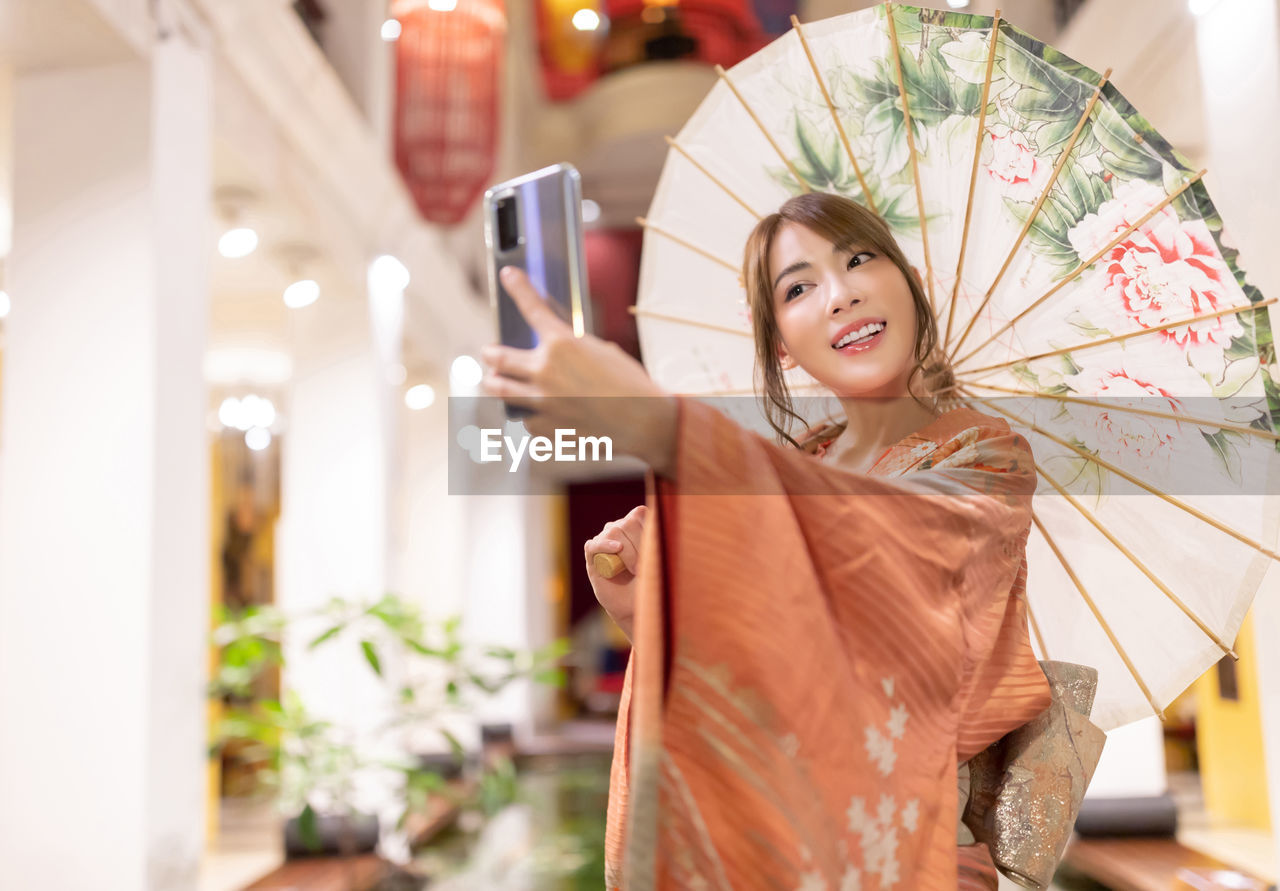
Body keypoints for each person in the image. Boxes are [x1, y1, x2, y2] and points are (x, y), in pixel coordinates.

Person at [481, 192, 1052, 890]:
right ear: (782, 340)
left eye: (860, 259)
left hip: (904, 856)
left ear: (908, 284)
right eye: (799, 287)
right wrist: (650, 607)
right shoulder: (788, 464)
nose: (839, 294)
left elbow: (887, 551)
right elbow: (756, 668)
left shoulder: (985, 456)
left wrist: (659, 426)